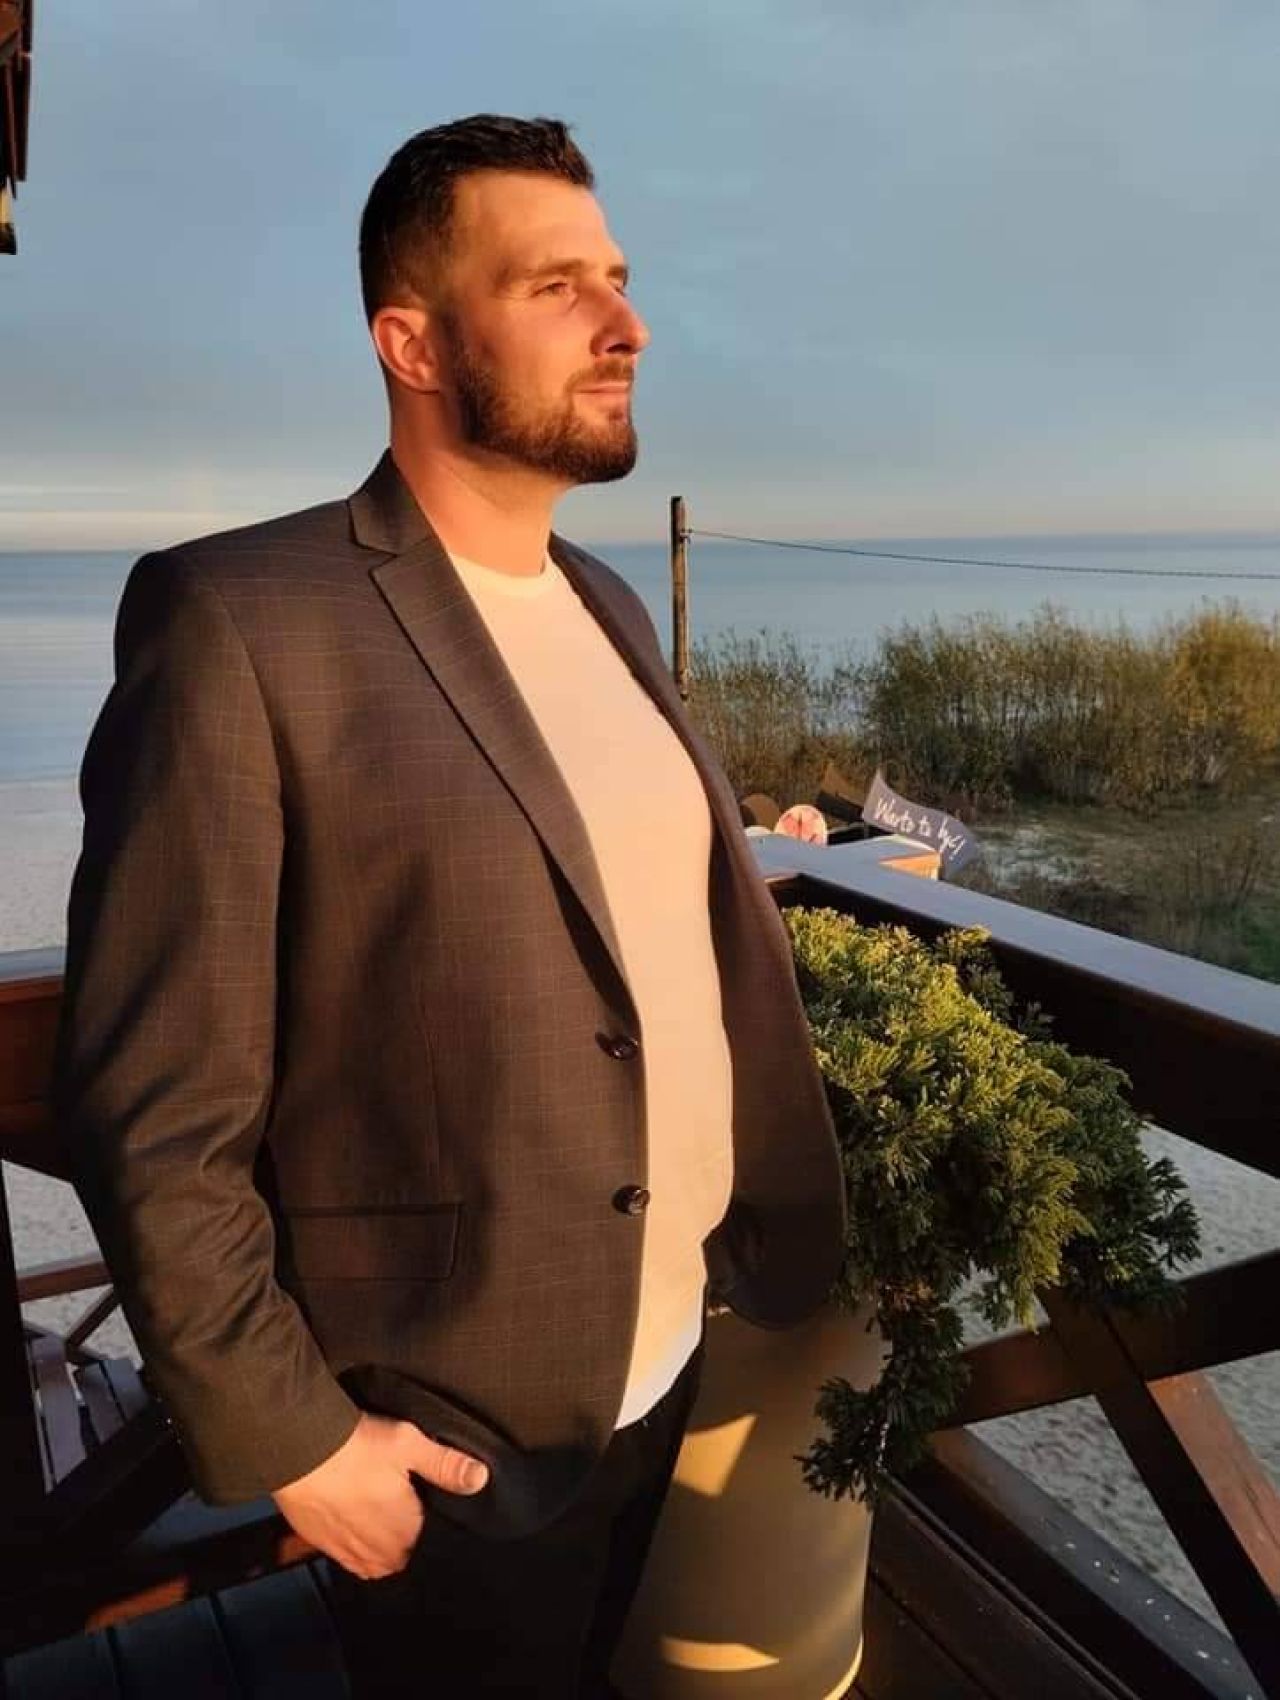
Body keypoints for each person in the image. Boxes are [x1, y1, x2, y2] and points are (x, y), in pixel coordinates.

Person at [52, 114, 846, 1697]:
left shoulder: (607, 605)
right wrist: (296, 1439)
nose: (627, 325)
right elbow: (153, 1104)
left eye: (618, 279)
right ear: (410, 343)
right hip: (439, 1430)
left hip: (659, 1361)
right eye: (557, 287)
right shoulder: (239, 620)